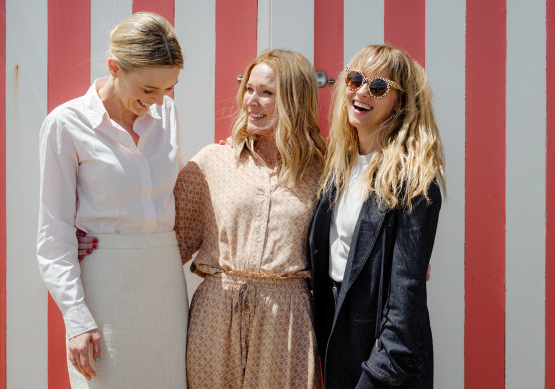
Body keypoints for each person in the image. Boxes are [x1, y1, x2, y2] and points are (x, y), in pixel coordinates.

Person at [37, 12, 188, 388]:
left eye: (167, 89)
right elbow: (53, 232)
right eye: (148, 89)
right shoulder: (66, 124)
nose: (157, 101)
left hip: (165, 285)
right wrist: (76, 317)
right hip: (104, 287)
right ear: (114, 68)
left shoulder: (166, 113)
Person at [173, 49, 326, 388]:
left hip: (286, 320)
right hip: (216, 314)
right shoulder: (212, 162)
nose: (252, 102)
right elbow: (169, 245)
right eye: (249, 89)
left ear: (295, 101)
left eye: (267, 92)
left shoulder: (323, 171)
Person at [309, 44, 445, 389]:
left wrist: (380, 371)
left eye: (379, 86)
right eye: (355, 79)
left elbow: (406, 292)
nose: (363, 91)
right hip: (335, 328)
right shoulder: (336, 166)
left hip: (380, 352)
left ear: (400, 102)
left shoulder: (414, 181)